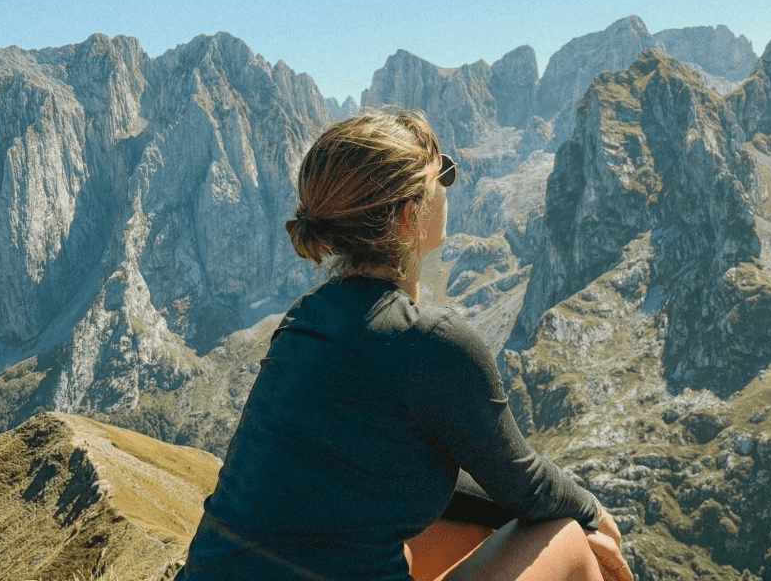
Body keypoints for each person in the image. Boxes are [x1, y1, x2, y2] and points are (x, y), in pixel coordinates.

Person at [178, 109, 632, 581]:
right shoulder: (432, 340)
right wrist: (597, 515)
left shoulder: (304, 318)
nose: (449, 190)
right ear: (407, 217)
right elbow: (528, 486)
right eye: (441, 178)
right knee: (570, 538)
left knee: (444, 534)